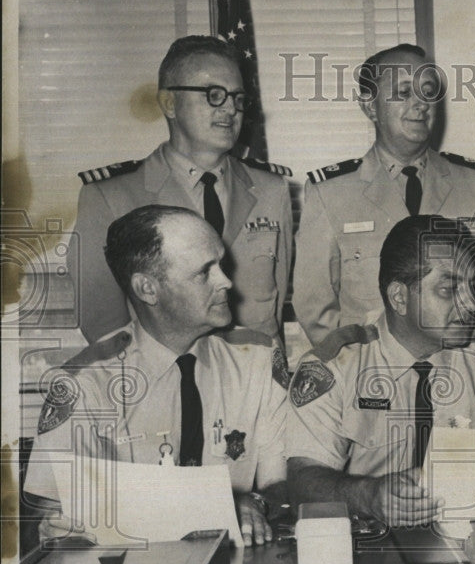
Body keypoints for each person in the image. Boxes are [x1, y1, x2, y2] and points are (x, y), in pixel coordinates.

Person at [24, 205, 288, 546]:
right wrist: (207, 507)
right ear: (148, 288)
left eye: (221, 264)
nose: (226, 282)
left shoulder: (258, 360)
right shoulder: (83, 384)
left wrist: (255, 502)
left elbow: (281, 482)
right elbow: (51, 515)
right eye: (204, 272)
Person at [287, 215, 475, 526]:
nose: (472, 304)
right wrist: (367, 495)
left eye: (473, 288)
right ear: (399, 298)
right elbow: (302, 479)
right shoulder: (336, 366)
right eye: (449, 290)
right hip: (370, 548)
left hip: (473, 540)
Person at [73, 35, 293, 344]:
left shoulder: (272, 190)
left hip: (256, 382)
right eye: (214, 94)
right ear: (169, 103)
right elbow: (104, 326)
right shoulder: (110, 197)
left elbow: (274, 309)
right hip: (167, 386)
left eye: (238, 98)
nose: (230, 108)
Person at [293, 44, 475, 346]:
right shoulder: (331, 192)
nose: (421, 104)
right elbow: (314, 306)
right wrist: (351, 362)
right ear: (370, 107)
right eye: (404, 93)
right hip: (369, 371)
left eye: (428, 92)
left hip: (457, 368)